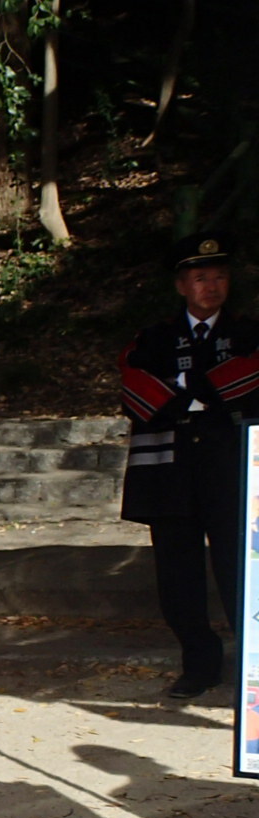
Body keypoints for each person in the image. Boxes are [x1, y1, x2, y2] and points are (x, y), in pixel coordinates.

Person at [118, 232, 259, 698]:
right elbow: (136, 390)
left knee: (242, 570)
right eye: (201, 278)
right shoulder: (154, 337)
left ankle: (252, 666)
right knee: (178, 577)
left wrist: (186, 389)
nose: (211, 286)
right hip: (170, 476)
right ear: (182, 285)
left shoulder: (246, 332)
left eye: (219, 276)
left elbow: (249, 375)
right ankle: (199, 665)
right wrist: (201, 392)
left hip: (233, 473)